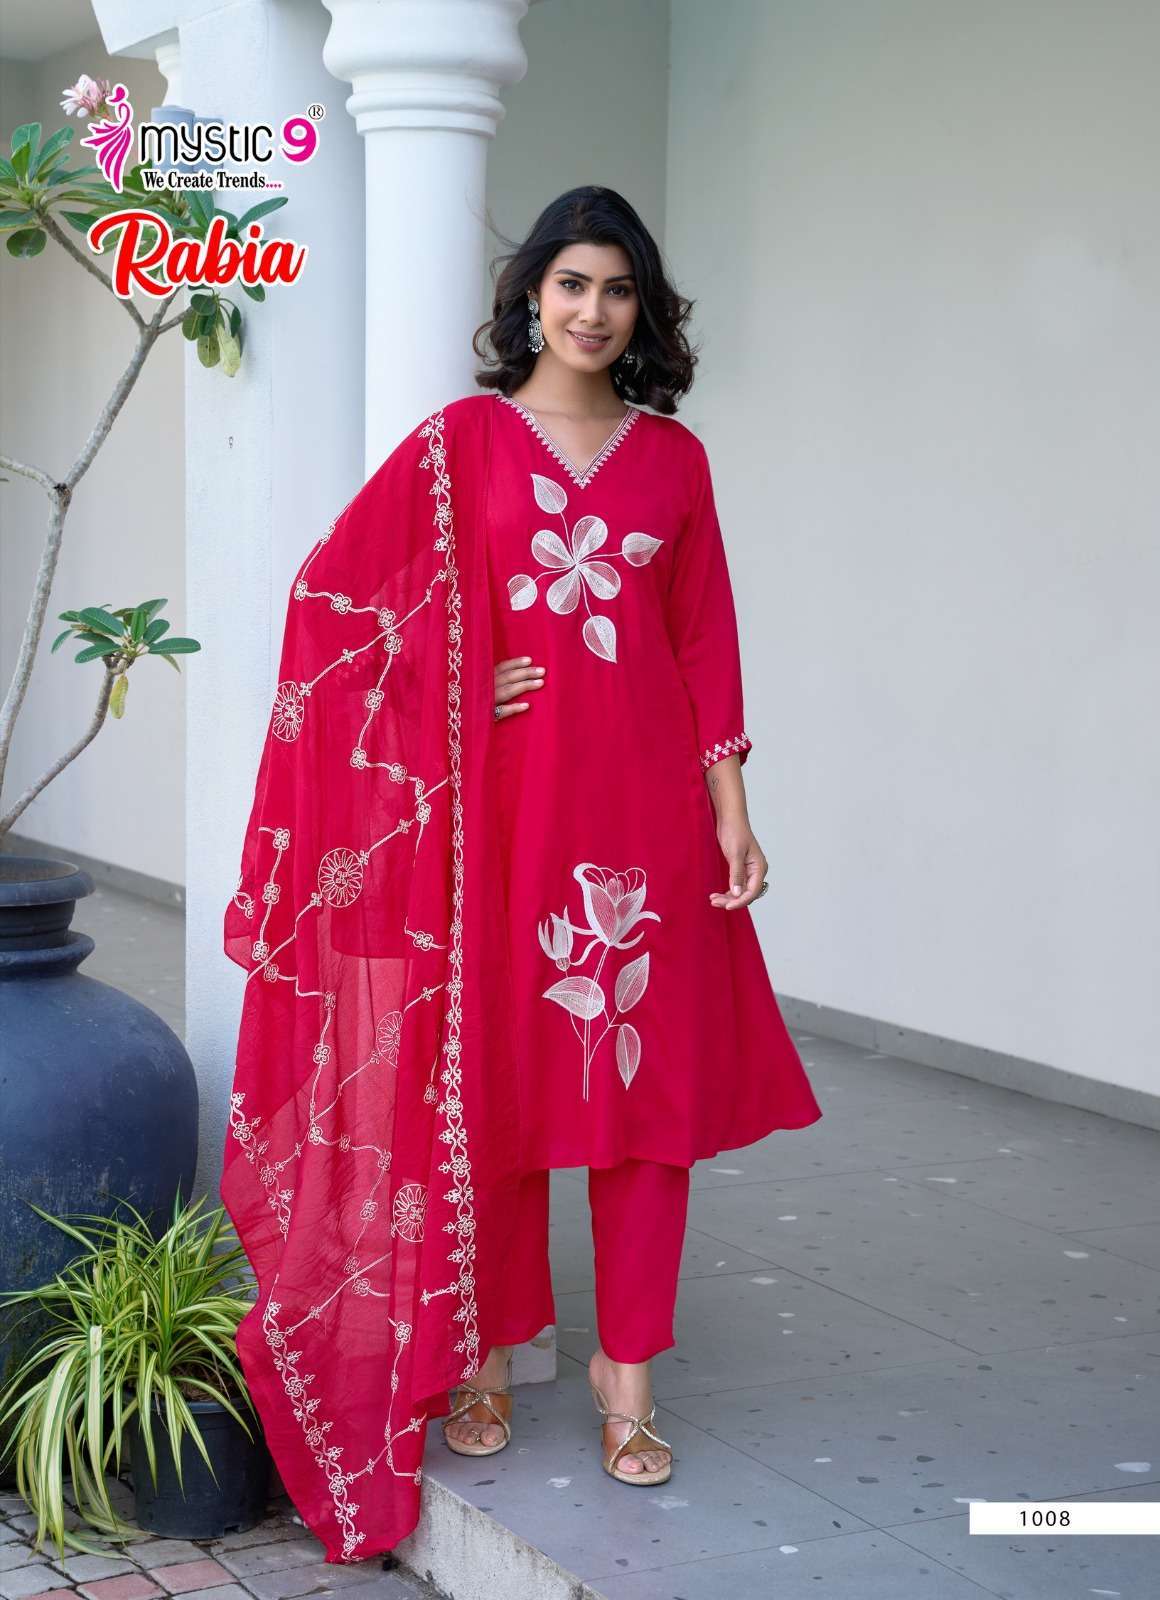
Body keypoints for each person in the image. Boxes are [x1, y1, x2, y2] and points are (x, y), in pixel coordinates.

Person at [221, 185, 821, 1562]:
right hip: (502, 815)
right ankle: (486, 1351)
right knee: (495, 1079)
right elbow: (335, 600)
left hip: (649, 815)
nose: (593, 311)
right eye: (571, 285)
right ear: (531, 299)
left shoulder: (676, 462)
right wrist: (451, 682)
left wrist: (732, 810)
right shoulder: (462, 444)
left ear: (642, 308)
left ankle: (628, 1374)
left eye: (617, 289)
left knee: (643, 1094)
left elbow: (705, 640)